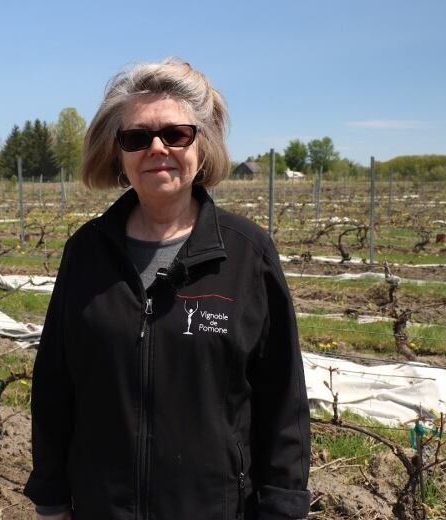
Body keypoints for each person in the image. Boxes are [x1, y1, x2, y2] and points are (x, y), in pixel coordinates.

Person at [24, 58, 311, 520]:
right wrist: (52, 500)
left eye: (176, 135)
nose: (157, 148)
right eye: (136, 138)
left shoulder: (246, 254)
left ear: (202, 146)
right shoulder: (86, 252)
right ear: (118, 154)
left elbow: (283, 397)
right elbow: (55, 384)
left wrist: (282, 506)